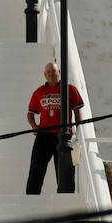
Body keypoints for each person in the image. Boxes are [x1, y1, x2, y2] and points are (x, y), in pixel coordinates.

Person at [26, 62, 84, 194]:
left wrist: (77, 131)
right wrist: (35, 127)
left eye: (54, 71)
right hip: (44, 136)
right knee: (36, 168)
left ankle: (65, 196)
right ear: (45, 75)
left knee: (65, 170)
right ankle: (31, 196)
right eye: (48, 72)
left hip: (64, 135)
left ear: (59, 72)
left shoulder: (70, 89)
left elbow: (77, 111)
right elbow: (30, 114)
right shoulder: (39, 92)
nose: (51, 74)